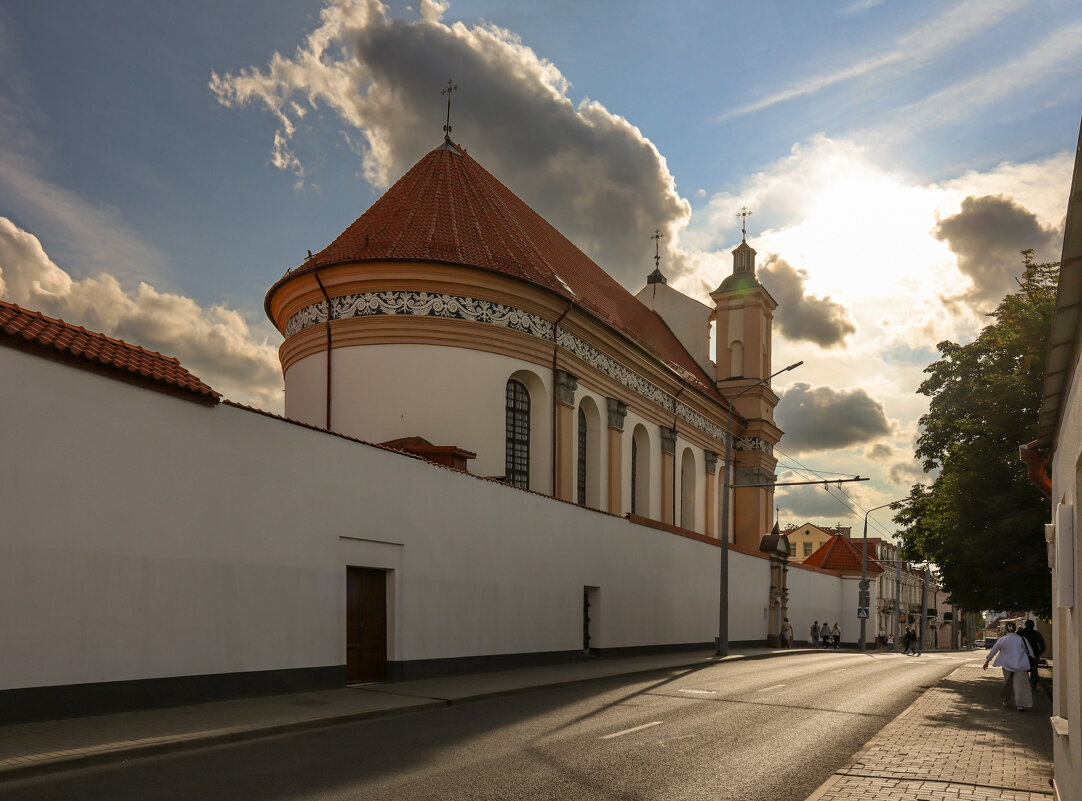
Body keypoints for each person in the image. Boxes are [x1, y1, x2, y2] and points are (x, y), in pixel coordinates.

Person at [983, 621, 1035, 710]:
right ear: (1015, 629)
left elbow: (994, 650)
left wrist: (987, 661)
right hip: (1021, 665)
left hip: (1007, 665)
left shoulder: (1003, 639)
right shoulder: (1022, 639)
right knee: (1020, 685)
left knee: (1007, 682)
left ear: (1006, 629)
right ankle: (1020, 704)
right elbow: (1030, 651)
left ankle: (1006, 699)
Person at [1017, 619, 1046, 688]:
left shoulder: (1020, 633)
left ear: (1025, 625)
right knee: (1034, 670)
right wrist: (1041, 651)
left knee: (1023, 669)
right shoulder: (1036, 633)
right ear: (1033, 625)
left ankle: (1025, 685)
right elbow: (1042, 643)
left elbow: (1015, 642)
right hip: (1034, 653)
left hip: (1023, 653)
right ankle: (1032, 685)